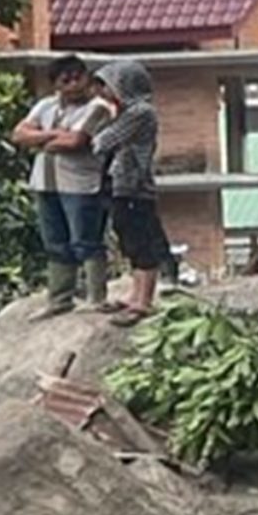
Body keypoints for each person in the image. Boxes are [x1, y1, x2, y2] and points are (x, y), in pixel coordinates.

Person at [9, 57, 115, 314]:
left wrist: (40, 140)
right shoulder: (46, 105)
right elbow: (18, 134)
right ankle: (59, 299)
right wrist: (53, 135)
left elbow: (76, 142)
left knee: (86, 240)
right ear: (55, 84)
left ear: (87, 78)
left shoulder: (99, 107)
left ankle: (96, 297)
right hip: (46, 183)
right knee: (55, 242)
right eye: (65, 80)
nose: (74, 85)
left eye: (78, 77)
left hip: (81, 183)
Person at [86, 58, 167, 321]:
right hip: (121, 185)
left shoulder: (139, 112)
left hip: (135, 186)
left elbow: (102, 142)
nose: (102, 92)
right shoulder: (125, 112)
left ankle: (143, 301)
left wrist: (96, 127)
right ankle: (135, 294)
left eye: (107, 85)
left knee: (141, 239)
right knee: (127, 239)